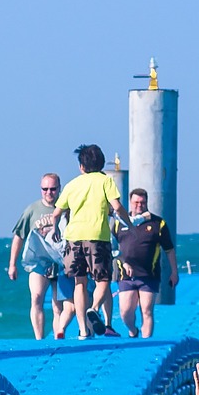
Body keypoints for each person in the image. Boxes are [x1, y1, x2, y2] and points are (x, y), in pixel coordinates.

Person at [54, 145, 127, 340]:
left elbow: (56, 213)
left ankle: (84, 331)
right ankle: (93, 309)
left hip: (73, 238)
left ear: (81, 166)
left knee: (79, 282)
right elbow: (117, 207)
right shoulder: (105, 181)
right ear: (101, 163)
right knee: (102, 280)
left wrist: (54, 229)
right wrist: (129, 224)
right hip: (97, 237)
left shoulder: (72, 185)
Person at [7, 174, 71, 340]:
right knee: (36, 298)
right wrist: (12, 264)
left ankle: (58, 337)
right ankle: (39, 339)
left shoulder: (66, 209)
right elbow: (19, 237)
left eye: (52, 189)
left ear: (59, 188)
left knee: (58, 306)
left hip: (61, 263)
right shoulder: (32, 210)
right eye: (45, 189)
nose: (49, 192)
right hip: (39, 263)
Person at [115, 188, 177, 338]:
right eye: (136, 202)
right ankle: (133, 331)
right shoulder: (118, 223)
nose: (139, 205)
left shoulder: (158, 223)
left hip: (149, 275)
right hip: (126, 275)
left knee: (147, 310)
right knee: (125, 312)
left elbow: (169, 249)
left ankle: (146, 342)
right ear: (130, 203)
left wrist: (174, 272)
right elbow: (112, 248)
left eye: (142, 202)